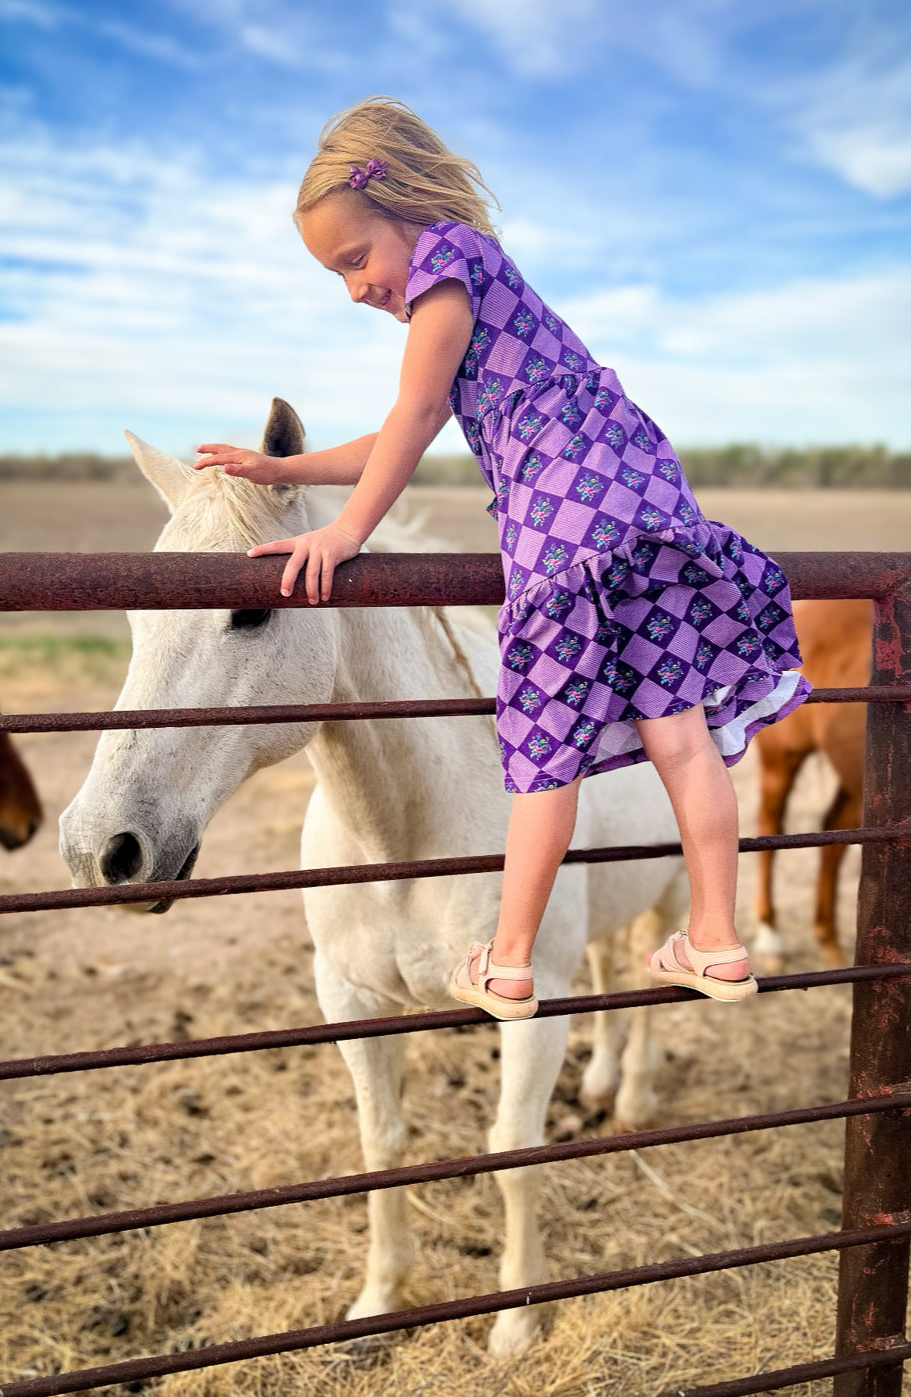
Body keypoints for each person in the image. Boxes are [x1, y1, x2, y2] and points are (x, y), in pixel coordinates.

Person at [196, 97, 812, 1020]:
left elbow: (407, 420)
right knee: (680, 742)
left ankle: (509, 960)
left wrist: (343, 532)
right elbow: (395, 427)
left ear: (405, 208)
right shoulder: (482, 296)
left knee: (544, 757)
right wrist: (282, 467)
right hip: (644, 515)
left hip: (563, 536)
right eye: (335, 274)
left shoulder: (449, 260)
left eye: (356, 259)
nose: (355, 288)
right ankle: (717, 940)